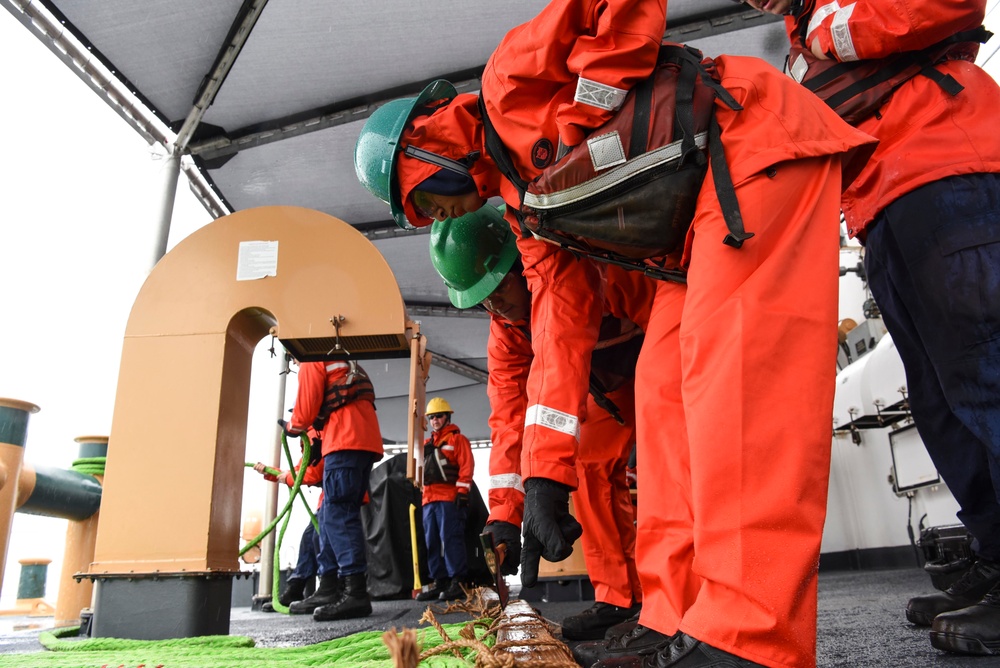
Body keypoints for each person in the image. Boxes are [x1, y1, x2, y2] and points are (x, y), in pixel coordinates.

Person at [354, 0, 874, 664]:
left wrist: (589, 105)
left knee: (734, 387)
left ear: (426, 143)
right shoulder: (526, 217)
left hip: (747, 148)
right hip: (692, 238)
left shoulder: (508, 79)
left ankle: (752, 636)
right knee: (660, 399)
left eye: (421, 202)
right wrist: (544, 478)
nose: (437, 217)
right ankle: (672, 608)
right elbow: (559, 323)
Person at [744, 0, 1000, 657]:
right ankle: (996, 560)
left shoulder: (830, 16)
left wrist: (837, 26)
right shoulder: (799, 36)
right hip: (883, 208)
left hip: (952, 176)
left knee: (986, 380)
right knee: (942, 403)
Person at [429, 207, 653, 639]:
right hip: (609, 387)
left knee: (670, 466)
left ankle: (680, 601)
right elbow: (510, 422)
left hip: (661, 349)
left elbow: (663, 304)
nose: (494, 305)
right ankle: (620, 598)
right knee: (589, 468)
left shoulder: (594, 264)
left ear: (521, 263)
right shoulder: (507, 333)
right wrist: (505, 517)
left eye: (497, 288)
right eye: (482, 300)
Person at [278, 359, 384, 622]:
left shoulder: (313, 356)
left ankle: (355, 593)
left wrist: (294, 427)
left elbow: (305, 407)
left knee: (338, 514)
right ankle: (330, 589)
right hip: (362, 441)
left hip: (344, 440)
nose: (293, 360)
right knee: (330, 515)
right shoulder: (347, 362)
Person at [251, 427, 325, 612]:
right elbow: (300, 470)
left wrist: (288, 477)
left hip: (335, 497)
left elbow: (314, 472)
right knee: (311, 538)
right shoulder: (314, 435)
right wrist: (270, 472)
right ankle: (299, 588)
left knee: (315, 537)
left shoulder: (316, 434)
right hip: (329, 497)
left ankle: (321, 589)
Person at [415, 397, 475, 602]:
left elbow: (466, 468)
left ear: (447, 417)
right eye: (431, 418)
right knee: (431, 542)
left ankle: (457, 582)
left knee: (450, 539)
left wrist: (462, 493)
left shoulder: (458, 440)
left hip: (449, 498)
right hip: (428, 500)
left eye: (438, 416)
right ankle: (439, 581)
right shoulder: (424, 444)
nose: (435, 420)